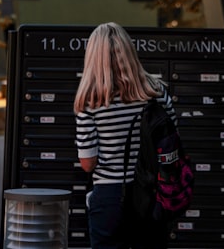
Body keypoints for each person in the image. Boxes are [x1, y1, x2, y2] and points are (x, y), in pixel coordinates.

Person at [74, 22, 176, 249]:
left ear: (93, 57)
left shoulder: (90, 100)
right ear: (129, 52)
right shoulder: (157, 92)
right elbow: (171, 145)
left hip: (110, 196)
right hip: (152, 194)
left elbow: (88, 164)